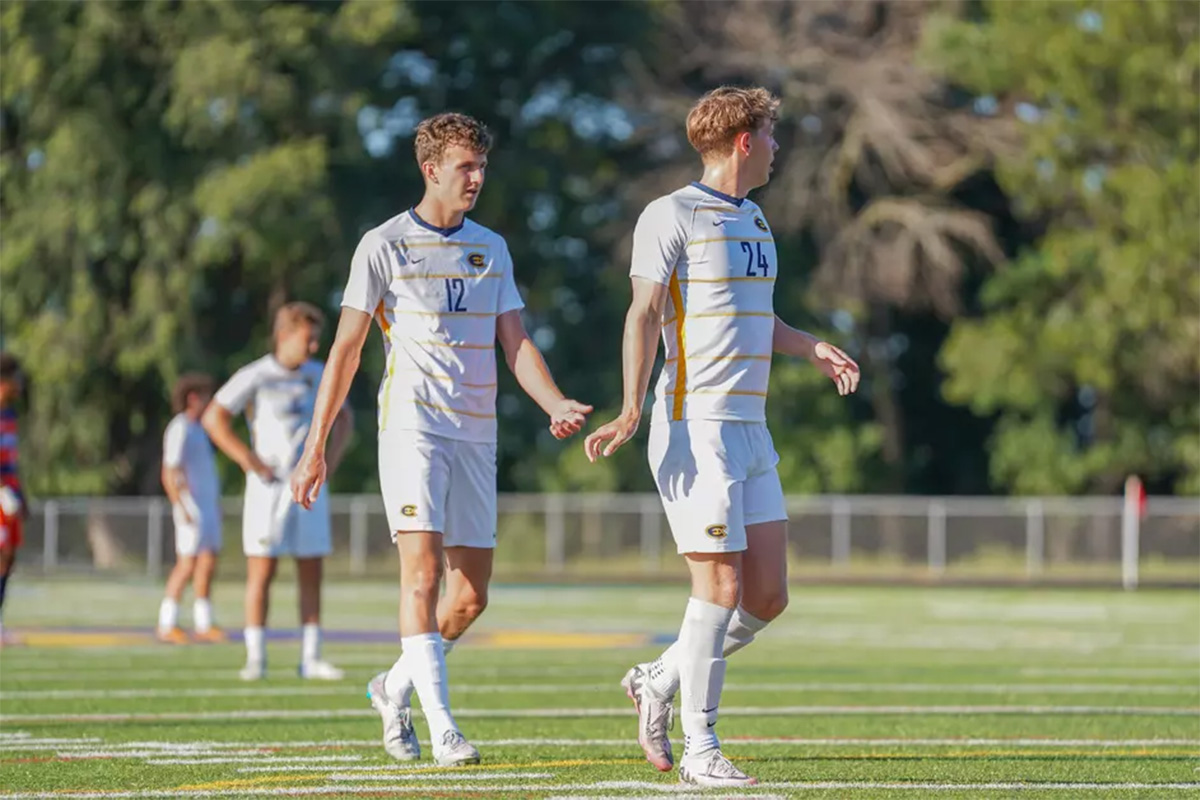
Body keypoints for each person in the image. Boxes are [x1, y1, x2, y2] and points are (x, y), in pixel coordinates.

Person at [291, 112, 591, 767]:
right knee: (422, 574)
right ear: (431, 170)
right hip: (412, 428)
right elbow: (345, 351)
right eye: (466, 167)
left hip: (475, 436)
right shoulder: (384, 244)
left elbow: (515, 342)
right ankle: (444, 725)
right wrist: (314, 449)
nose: (477, 177)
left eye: (482, 166)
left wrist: (553, 402)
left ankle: (391, 686)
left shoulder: (493, 249)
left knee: (473, 594)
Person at [584, 86, 861, 788]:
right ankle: (702, 748)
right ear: (744, 140)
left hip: (749, 428)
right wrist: (628, 408)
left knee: (767, 596)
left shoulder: (758, 222)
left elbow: (755, 318)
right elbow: (644, 313)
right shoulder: (669, 214)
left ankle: (658, 678)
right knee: (720, 581)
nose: (776, 147)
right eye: (770, 135)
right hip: (693, 424)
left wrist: (812, 348)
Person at [203, 302, 353, 681]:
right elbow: (214, 417)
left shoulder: (319, 374)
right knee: (262, 570)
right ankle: (256, 657)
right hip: (267, 489)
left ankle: (311, 657)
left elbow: (346, 418)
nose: (314, 346)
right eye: (309, 338)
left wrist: (328, 463)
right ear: (284, 335)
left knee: (312, 569)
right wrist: (248, 460)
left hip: (308, 487)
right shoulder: (256, 375)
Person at [157, 373, 226, 644]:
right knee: (186, 565)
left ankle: (203, 622)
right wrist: (180, 505)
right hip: (190, 507)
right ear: (193, 398)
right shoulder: (180, 427)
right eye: (206, 397)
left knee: (207, 562)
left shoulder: (200, 429)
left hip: (207, 507)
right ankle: (167, 622)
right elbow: (169, 471)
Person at [0, 353, 27, 647]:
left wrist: (22, 496)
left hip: (10, 494)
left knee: (8, 558)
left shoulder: (9, 416)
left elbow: (12, 461)